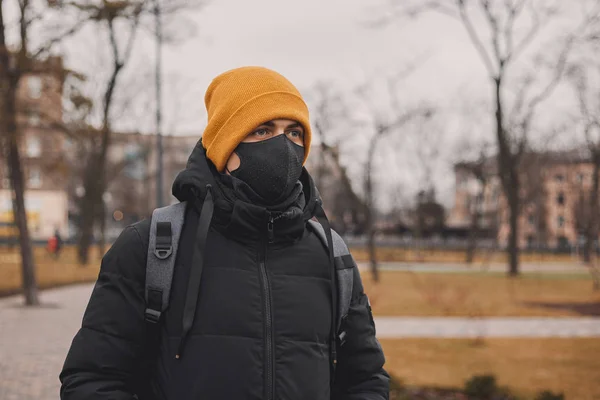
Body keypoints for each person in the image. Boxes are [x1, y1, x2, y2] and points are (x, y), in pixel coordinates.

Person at [60, 67, 389, 400]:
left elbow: (366, 380)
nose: (283, 145)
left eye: (294, 133)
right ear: (223, 146)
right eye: (262, 130)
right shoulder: (151, 247)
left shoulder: (330, 255)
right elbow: (92, 379)